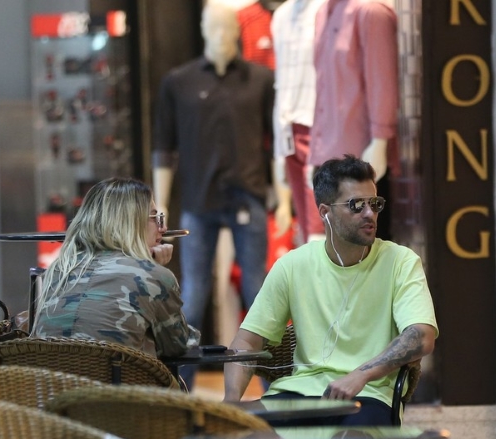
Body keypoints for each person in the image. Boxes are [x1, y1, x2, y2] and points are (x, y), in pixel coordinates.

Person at [224, 154, 438, 439]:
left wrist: (362, 373)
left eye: (374, 203)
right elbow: (247, 338)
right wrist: (228, 403)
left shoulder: (400, 262)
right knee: (221, 436)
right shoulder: (293, 266)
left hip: (369, 395)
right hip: (297, 395)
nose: (369, 214)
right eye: (355, 205)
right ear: (324, 210)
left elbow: (421, 336)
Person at [152, 2, 281, 389]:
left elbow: (273, 143)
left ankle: (274, 379)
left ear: (238, 31)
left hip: (249, 197)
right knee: (193, 293)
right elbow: (164, 147)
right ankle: (181, 384)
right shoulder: (179, 82)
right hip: (198, 202)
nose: (222, 35)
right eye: (214, 27)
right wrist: (157, 203)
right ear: (203, 29)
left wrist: (283, 194)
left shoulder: (260, 80)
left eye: (228, 27)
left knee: (258, 291)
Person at [32, 177, 198, 359]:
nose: (163, 228)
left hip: (47, 384)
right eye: (155, 217)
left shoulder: (59, 269)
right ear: (130, 223)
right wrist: (153, 268)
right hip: (113, 384)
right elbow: (178, 346)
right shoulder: (154, 276)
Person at [310, 0, 398, 240]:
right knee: (336, 254)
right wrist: (315, 154)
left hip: (364, 161)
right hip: (329, 159)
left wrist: (380, 140)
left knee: (369, 252)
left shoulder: (371, 13)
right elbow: (323, 87)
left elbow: (382, 80)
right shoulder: (322, 14)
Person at [271, 0, 324, 242]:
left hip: (319, 127)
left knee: (320, 232)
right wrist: (280, 151)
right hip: (289, 130)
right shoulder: (281, 16)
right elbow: (281, 81)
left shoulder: (327, 9)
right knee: (306, 232)